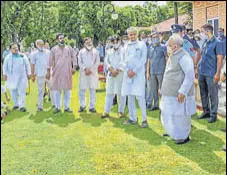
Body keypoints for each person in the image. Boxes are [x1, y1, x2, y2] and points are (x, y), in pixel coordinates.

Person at [161, 34, 196, 144]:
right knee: (169, 113)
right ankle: (172, 131)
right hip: (169, 92)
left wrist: (183, 91)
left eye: (169, 45)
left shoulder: (184, 57)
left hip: (179, 93)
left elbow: (190, 75)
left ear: (175, 46)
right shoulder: (173, 55)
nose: (168, 47)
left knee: (180, 116)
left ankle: (183, 136)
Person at [121, 27, 148, 128]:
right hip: (128, 74)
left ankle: (144, 119)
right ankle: (132, 117)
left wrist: (135, 71)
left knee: (140, 96)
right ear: (128, 35)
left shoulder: (142, 45)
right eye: (130, 34)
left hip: (138, 74)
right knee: (130, 96)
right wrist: (127, 70)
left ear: (137, 34)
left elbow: (143, 59)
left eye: (134, 34)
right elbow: (122, 60)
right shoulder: (125, 46)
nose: (132, 36)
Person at [196, 24, 223, 123]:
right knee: (203, 92)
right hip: (202, 71)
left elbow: (220, 59)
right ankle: (205, 111)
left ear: (208, 32)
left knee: (213, 94)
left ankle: (213, 114)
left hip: (211, 73)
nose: (202, 34)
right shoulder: (204, 42)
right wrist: (197, 68)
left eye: (203, 31)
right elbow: (202, 56)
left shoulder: (217, 43)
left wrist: (217, 73)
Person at [46, 33, 77, 114]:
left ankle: (67, 107)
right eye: (60, 38)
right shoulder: (53, 50)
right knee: (57, 91)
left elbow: (74, 58)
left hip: (67, 72)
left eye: (63, 38)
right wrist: (48, 71)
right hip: (57, 73)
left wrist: (74, 67)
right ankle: (57, 107)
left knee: (67, 91)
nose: (62, 39)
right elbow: (50, 61)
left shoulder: (69, 48)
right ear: (57, 40)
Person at [101, 35, 126, 119]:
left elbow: (124, 62)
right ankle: (106, 111)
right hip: (111, 74)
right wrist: (110, 68)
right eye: (113, 42)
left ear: (120, 41)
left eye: (117, 41)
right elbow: (106, 61)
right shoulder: (109, 50)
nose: (115, 43)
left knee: (120, 93)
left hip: (120, 74)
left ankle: (121, 111)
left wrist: (117, 70)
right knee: (109, 93)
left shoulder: (123, 50)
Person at [3, 42, 31, 112]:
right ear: (10, 50)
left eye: (16, 47)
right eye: (13, 48)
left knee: (22, 91)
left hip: (22, 77)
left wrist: (29, 73)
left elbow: (27, 64)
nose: (15, 49)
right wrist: (4, 74)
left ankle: (22, 106)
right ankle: (16, 104)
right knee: (13, 92)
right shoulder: (8, 57)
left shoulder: (22, 56)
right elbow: (4, 67)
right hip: (11, 77)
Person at [78, 37, 100, 113]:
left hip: (93, 73)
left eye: (90, 42)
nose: (89, 44)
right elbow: (79, 62)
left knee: (92, 90)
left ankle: (92, 107)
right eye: (87, 43)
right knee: (82, 90)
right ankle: (82, 106)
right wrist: (85, 69)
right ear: (84, 44)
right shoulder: (81, 52)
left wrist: (91, 69)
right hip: (83, 73)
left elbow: (97, 61)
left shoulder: (96, 51)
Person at [147, 32, 167, 111]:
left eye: (156, 37)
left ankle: (163, 105)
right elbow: (149, 60)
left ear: (159, 38)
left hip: (161, 71)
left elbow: (166, 58)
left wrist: (166, 70)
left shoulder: (163, 47)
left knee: (162, 89)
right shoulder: (150, 47)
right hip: (152, 72)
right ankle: (155, 104)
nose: (155, 39)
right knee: (154, 89)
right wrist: (147, 72)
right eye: (153, 37)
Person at [31, 39, 51, 111]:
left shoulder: (48, 52)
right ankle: (40, 107)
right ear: (37, 45)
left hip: (48, 74)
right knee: (40, 91)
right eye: (40, 44)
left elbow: (50, 63)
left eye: (42, 44)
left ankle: (55, 105)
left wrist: (49, 72)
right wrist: (32, 75)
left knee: (52, 89)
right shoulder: (34, 54)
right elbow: (32, 65)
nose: (42, 45)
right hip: (39, 75)